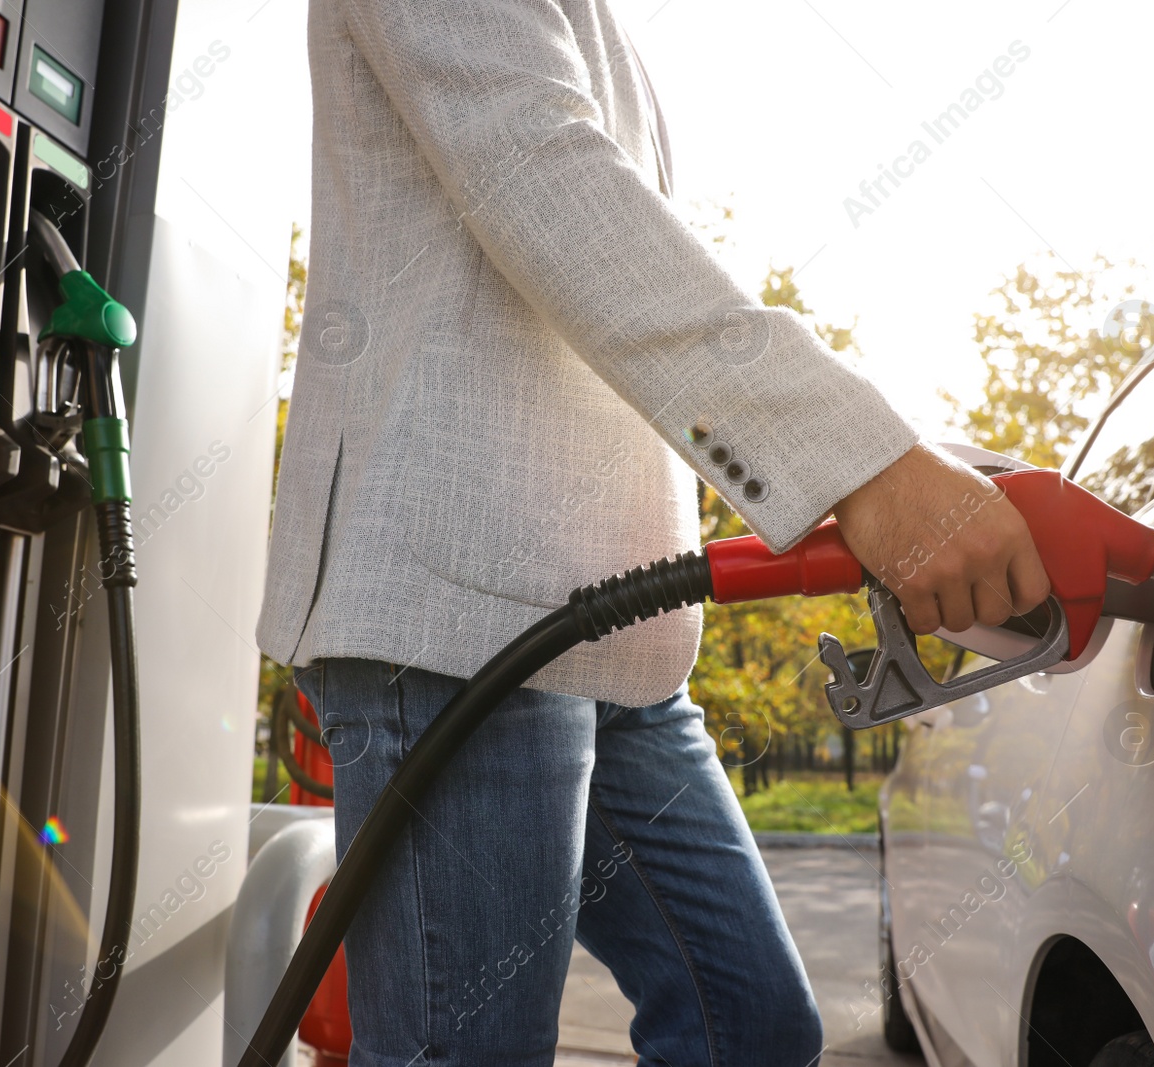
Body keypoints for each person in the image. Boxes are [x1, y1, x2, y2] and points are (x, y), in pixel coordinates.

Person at [257, 1, 1051, 1063]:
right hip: (463, 617)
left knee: (750, 1029)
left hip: (610, 628)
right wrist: (860, 459)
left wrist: (862, 467)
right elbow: (550, 183)